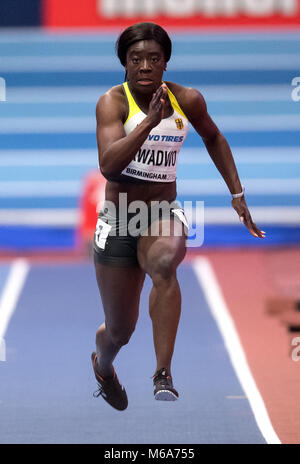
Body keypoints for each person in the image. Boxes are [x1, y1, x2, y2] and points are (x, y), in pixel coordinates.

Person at [91, 22, 265, 411]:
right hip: (120, 218)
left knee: (167, 262)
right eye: (136, 59)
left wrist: (236, 194)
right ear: (125, 63)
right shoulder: (112, 103)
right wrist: (151, 120)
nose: (146, 67)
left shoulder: (188, 99)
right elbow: (109, 165)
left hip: (160, 211)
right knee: (119, 330)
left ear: (166, 62)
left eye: (154, 59)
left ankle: (162, 372)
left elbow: (214, 137)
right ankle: (103, 366)